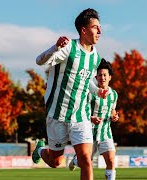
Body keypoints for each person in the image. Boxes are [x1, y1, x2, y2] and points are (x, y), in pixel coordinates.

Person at [33, 8, 108, 180]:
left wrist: (97, 90)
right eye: (96, 27)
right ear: (84, 30)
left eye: (100, 27)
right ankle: (40, 150)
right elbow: (39, 61)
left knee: (85, 159)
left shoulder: (95, 57)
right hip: (57, 114)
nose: (100, 31)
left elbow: (86, 80)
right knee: (56, 162)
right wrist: (55, 47)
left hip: (80, 115)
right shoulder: (68, 48)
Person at [69, 58, 119, 180]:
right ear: (96, 77)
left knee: (111, 161)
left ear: (110, 77)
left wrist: (114, 116)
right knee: (86, 163)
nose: (102, 77)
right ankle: (76, 161)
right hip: (89, 132)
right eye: (99, 75)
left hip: (105, 132)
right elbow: (80, 110)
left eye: (105, 75)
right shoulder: (90, 92)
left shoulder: (114, 94)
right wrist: (91, 118)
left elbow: (112, 110)